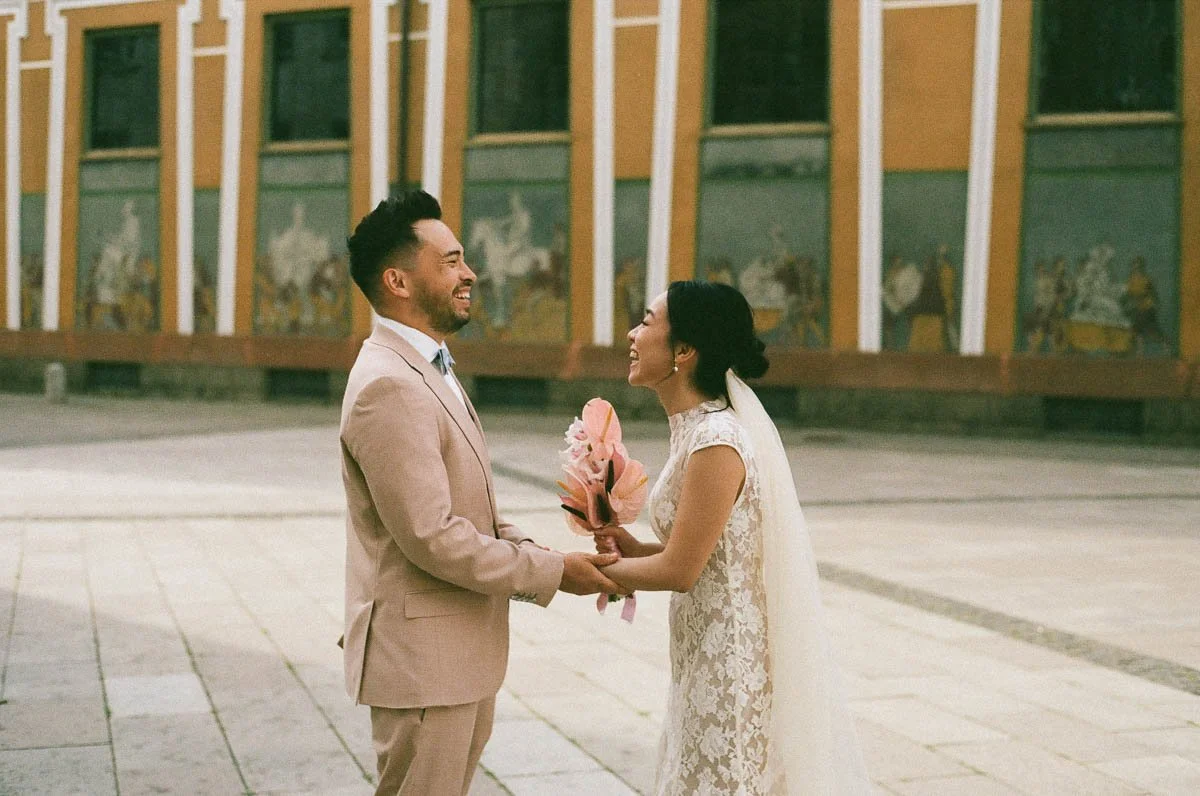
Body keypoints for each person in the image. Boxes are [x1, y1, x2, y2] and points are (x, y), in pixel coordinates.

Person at [340, 190, 624, 796]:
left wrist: (557, 556)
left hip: (454, 657)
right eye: (449, 261)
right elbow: (433, 537)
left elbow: (479, 515)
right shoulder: (389, 384)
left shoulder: (428, 365)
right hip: (423, 666)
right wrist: (553, 573)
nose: (470, 273)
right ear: (398, 280)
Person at [596, 280, 871, 795]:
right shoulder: (693, 430)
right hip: (700, 651)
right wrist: (633, 550)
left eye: (647, 322)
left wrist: (584, 571)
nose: (632, 334)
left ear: (683, 350)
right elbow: (713, 552)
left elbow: (681, 570)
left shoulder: (716, 440)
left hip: (729, 661)